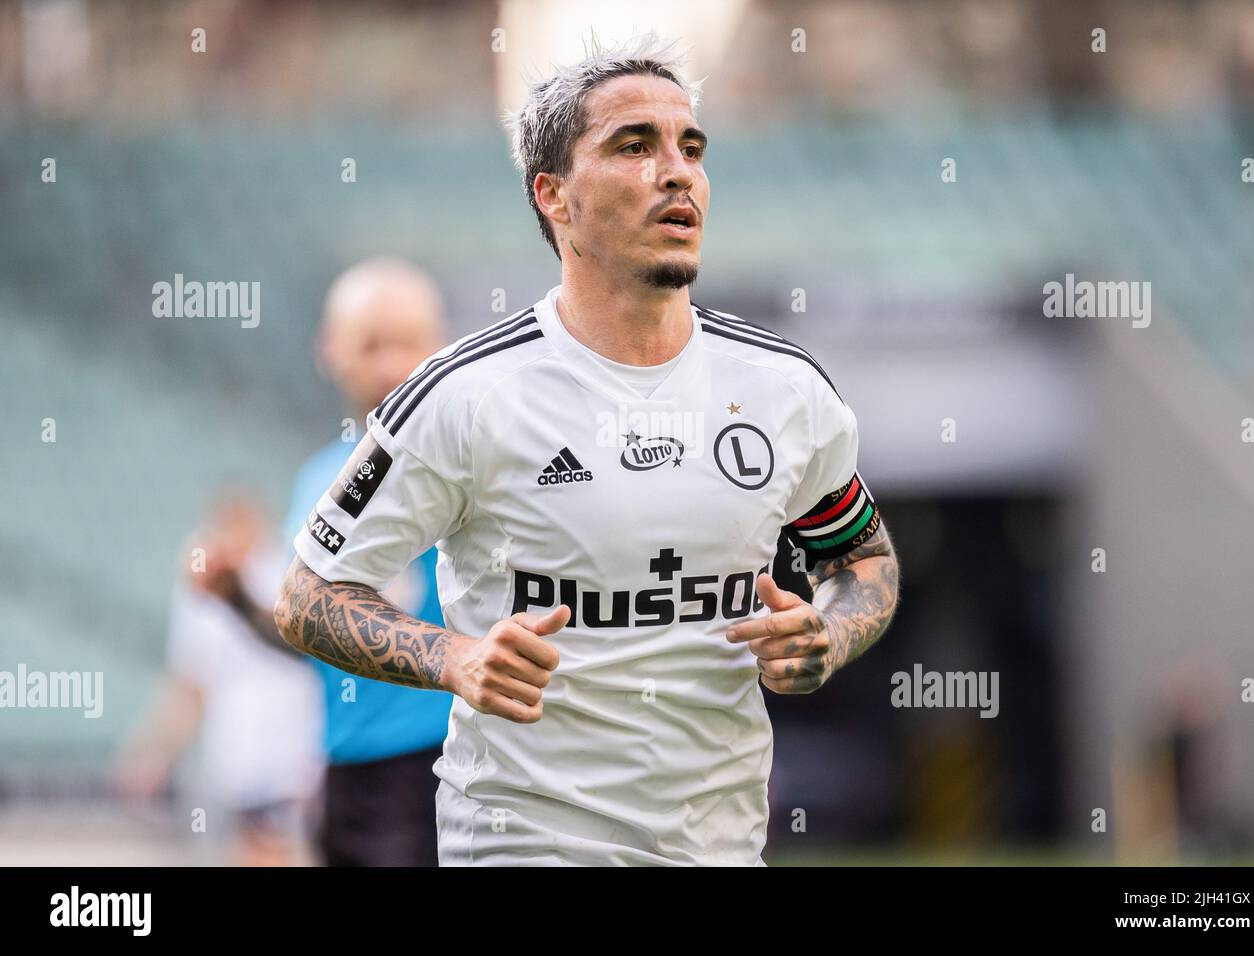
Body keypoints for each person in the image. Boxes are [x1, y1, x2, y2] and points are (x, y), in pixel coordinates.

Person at [275, 35, 900, 866]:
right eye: (633, 146)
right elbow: (306, 594)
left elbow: (863, 561)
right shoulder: (465, 394)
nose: (676, 171)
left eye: (691, 147)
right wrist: (453, 656)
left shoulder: (785, 391)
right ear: (554, 196)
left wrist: (827, 633)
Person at [284, 256, 454, 866]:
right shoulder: (318, 481)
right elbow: (301, 625)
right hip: (348, 768)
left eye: (405, 343)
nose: (388, 365)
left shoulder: (471, 465)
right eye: (370, 344)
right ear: (330, 350)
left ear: (439, 346)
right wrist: (231, 600)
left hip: (449, 759)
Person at [115, 494, 322, 866]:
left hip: (299, 761)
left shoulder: (293, 571)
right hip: (239, 762)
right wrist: (154, 751)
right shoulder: (203, 587)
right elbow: (193, 681)